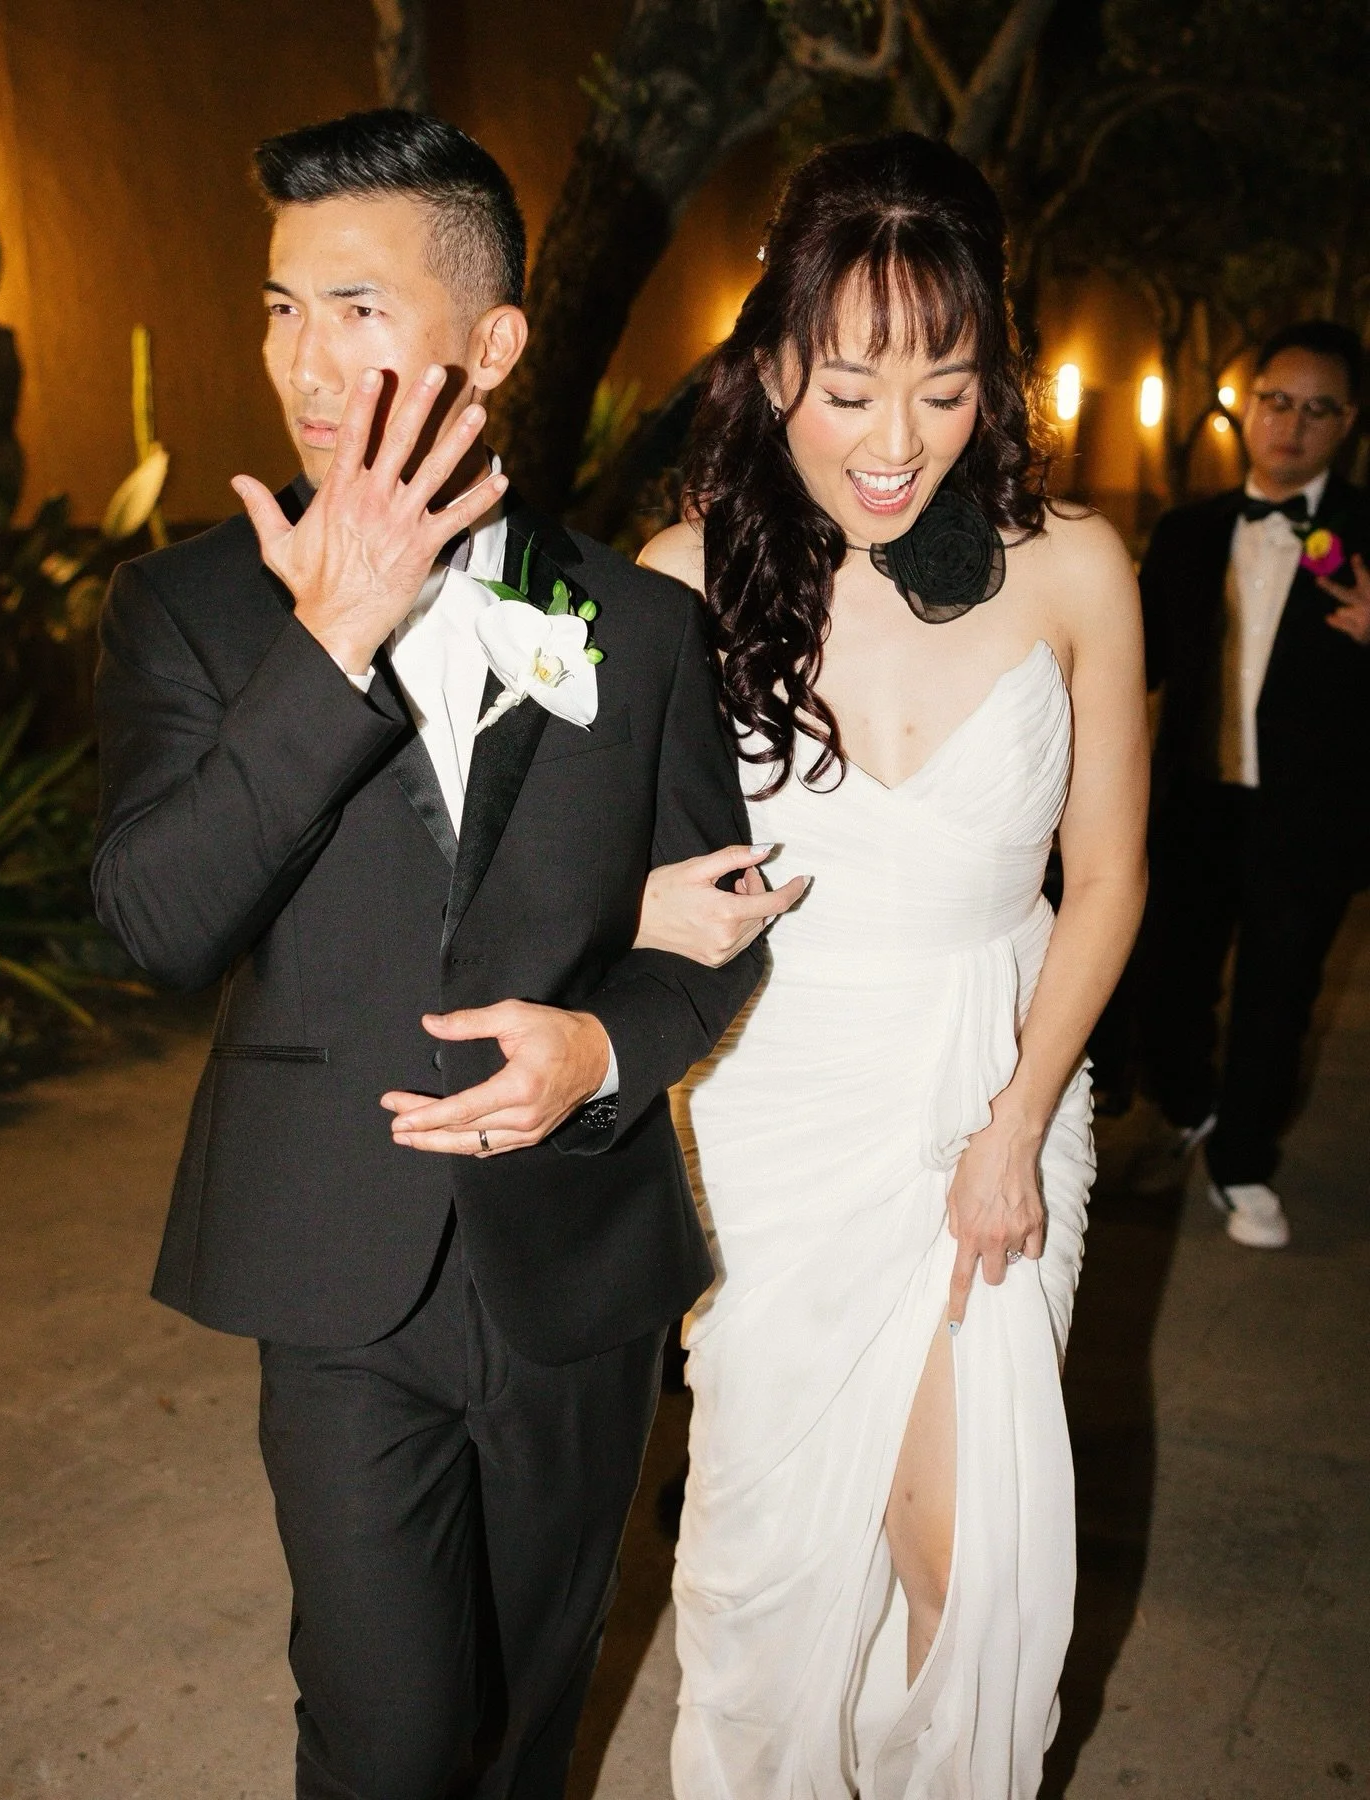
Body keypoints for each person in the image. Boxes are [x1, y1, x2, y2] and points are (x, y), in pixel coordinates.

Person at [91, 109, 771, 1800]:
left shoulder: (642, 624)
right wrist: (330, 641)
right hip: (332, 1259)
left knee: (531, 1725)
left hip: (574, 1268)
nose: (304, 361)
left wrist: (604, 1048)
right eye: (276, 308)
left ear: (496, 340)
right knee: (390, 1737)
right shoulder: (194, 609)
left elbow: (714, 933)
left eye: (357, 307)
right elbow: (155, 921)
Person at [631, 135, 1149, 1797]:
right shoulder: (681, 577)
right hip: (775, 1112)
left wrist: (1013, 1129)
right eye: (849, 387)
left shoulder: (1077, 568)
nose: (894, 439)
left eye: (941, 385)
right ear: (773, 361)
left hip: (998, 1083)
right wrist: (643, 915)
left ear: (994, 375)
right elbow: (569, 878)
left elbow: (1112, 877)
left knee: (972, 1571)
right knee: (765, 1577)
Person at [1138, 320, 1370, 1248]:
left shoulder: (1363, 535)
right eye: (1278, 401)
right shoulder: (1188, 531)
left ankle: (1242, 1163)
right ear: (1249, 406)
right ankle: (1191, 1102)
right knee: (1167, 981)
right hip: (1194, 802)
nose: (1293, 425)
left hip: (1309, 816)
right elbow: (1137, 659)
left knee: (1278, 998)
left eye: (1319, 410)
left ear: (1346, 423)